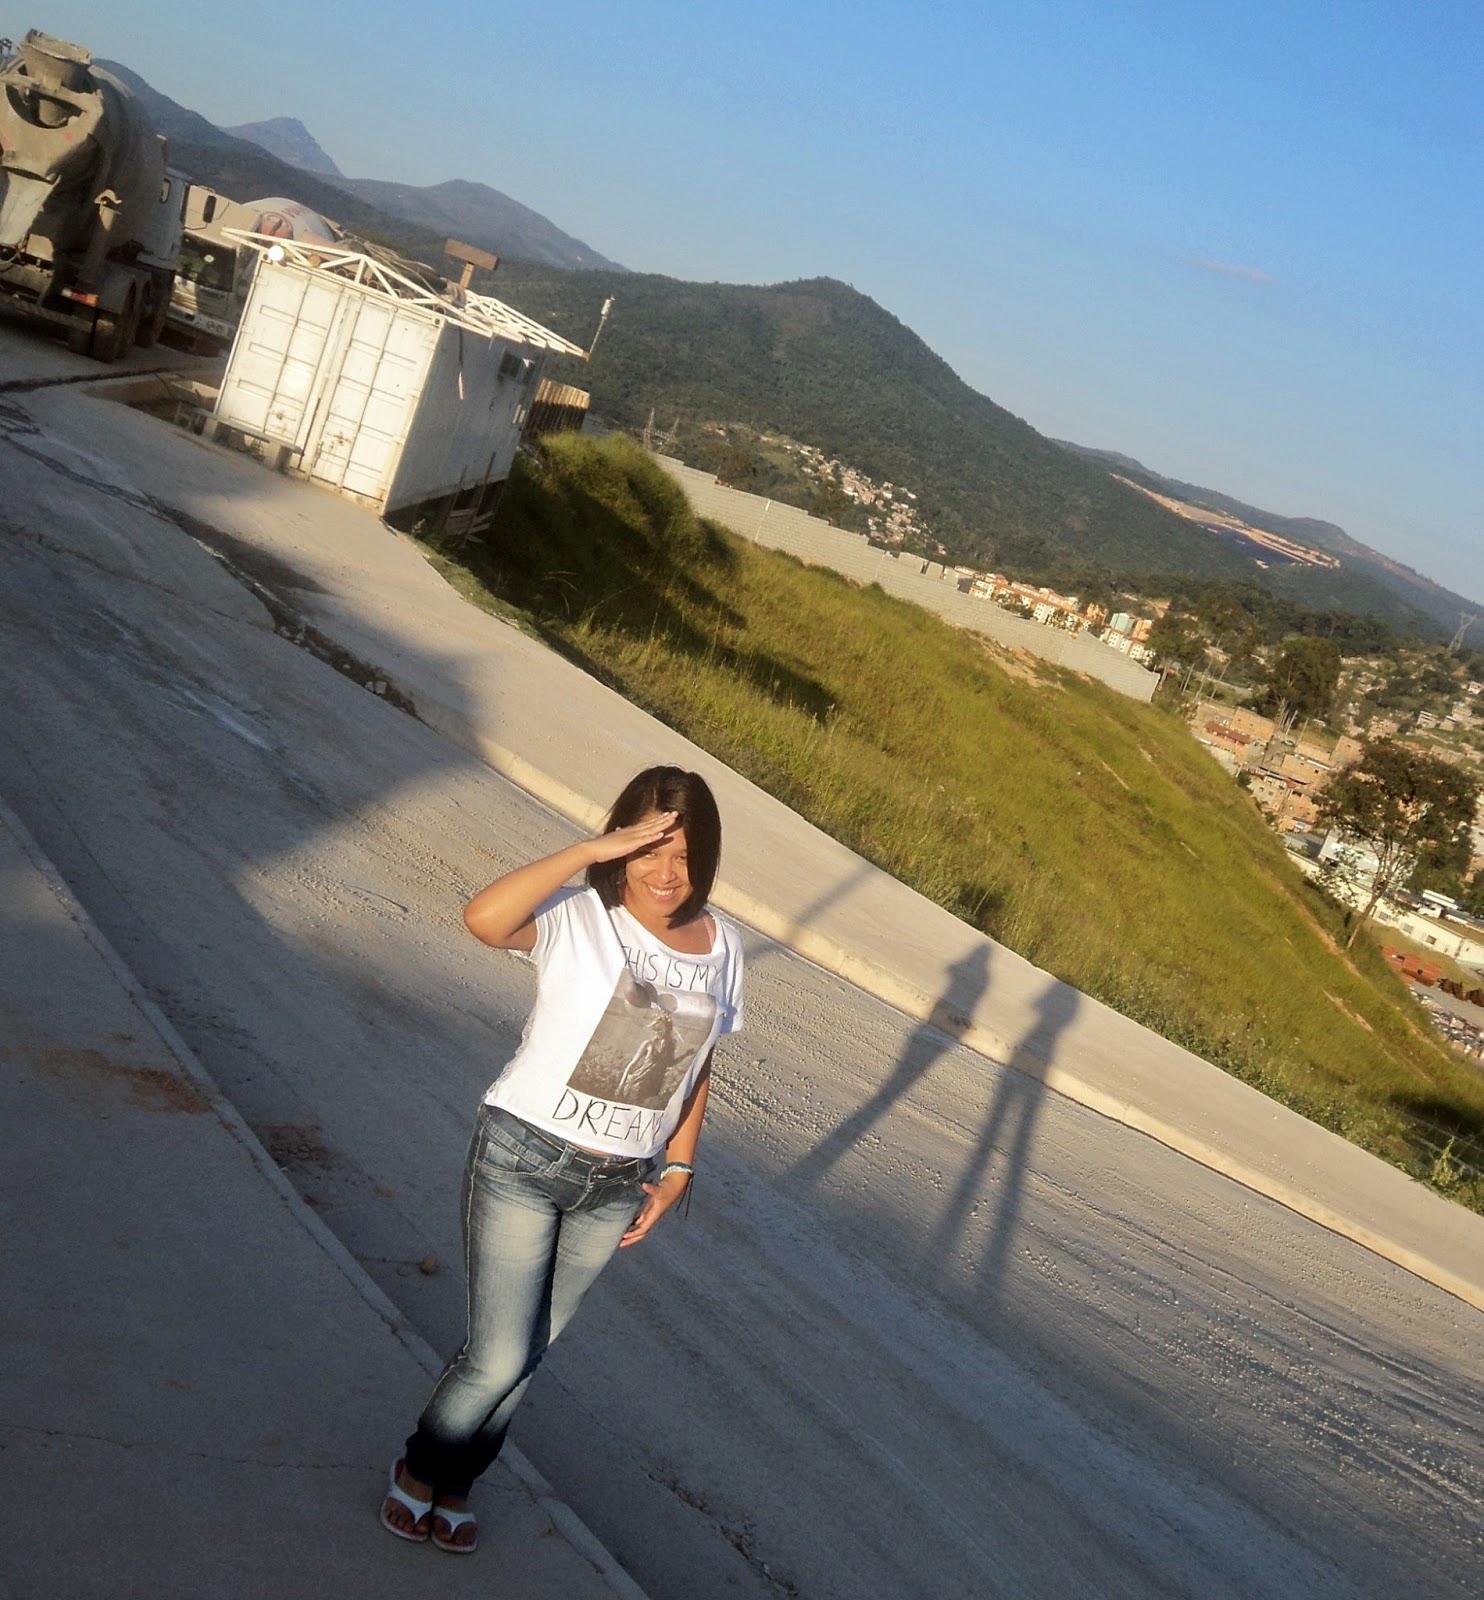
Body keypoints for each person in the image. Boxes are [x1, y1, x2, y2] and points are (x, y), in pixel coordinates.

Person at [380, 766, 744, 1554]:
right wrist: (586, 852)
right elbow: (483, 919)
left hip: (616, 1185)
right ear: (620, 845)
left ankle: (459, 1482)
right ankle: (420, 1470)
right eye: (648, 849)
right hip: (523, 1156)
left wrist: (678, 1169)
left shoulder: (722, 947)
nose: (666, 873)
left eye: (684, 855)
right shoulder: (581, 915)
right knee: (497, 1354)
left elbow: (699, 1063)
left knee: (530, 1354)